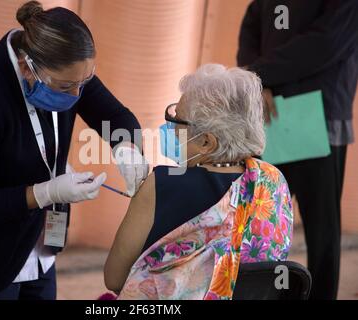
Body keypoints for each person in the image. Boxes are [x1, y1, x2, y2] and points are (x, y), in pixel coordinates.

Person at [0, 1, 148, 300]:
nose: (77, 95)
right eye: (67, 86)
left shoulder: (67, 69)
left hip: (38, 245)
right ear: (27, 67)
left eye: (84, 83)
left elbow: (116, 116)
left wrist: (127, 148)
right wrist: (45, 193)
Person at [104, 64, 293, 300]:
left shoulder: (160, 184)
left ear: (206, 142)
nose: (171, 130)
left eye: (177, 121)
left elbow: (114, 278)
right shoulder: (273, 180)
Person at [237, 0, 358, 299]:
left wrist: (259, 74)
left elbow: (326, 43)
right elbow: (251, 25)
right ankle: (253, 293)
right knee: (256, 221)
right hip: (269, 114)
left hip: (317, 113)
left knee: (321, 231)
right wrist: (255, 80)